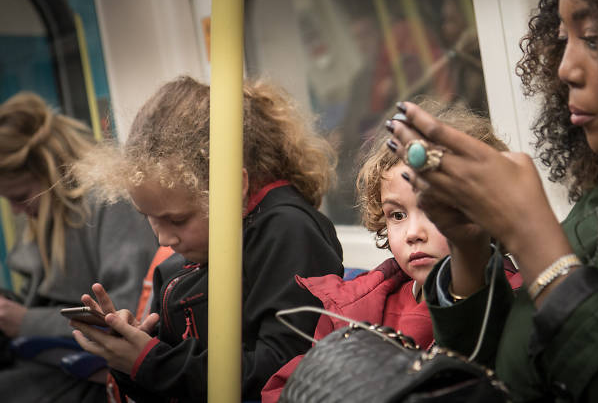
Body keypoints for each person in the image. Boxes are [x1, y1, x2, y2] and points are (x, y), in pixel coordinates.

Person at [387, 0, 598, 401]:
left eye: (594, 38)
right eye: (564, 40)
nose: (565, 68)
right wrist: (469, 251)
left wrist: (530, 235)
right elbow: (495, 379)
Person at [68, 76, 345, 402]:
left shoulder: (288, 232)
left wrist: (153, 362)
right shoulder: (175, 269)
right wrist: (130, 355)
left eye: (177, 219)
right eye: (149, 218)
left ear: (233, 186)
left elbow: (284, 371)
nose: (163, 239)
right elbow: (168, 385)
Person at [261, 101, 521, 402]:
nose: (413, 233)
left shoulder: (515, 305)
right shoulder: (355, 306)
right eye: (397, 215)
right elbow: (287, 389)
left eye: (436, 210)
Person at [0, 92, 157, 403]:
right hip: (49, 357)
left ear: (46, 173)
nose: (16, 211)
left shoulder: (108, 202)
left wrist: (26, 321)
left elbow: (126, 312)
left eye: (19, 197)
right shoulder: (48, 214)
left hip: (89, 369)